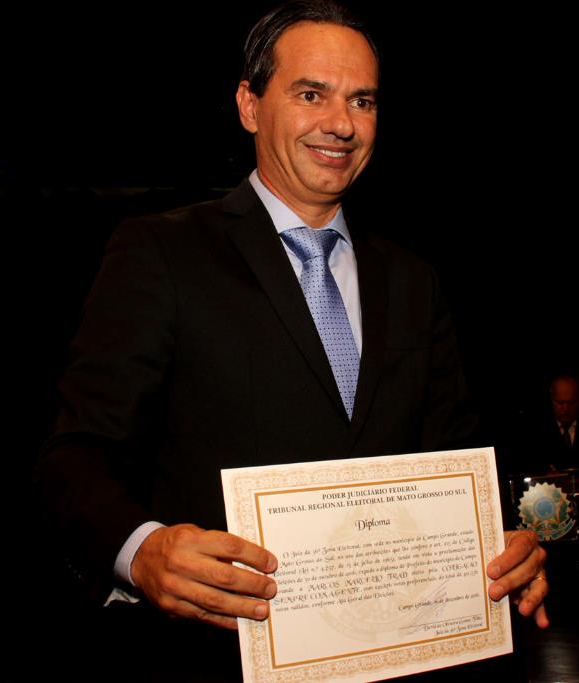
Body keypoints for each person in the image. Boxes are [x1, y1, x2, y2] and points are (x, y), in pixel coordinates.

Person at [35, 1, 548, 677]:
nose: (341, 123)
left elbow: (453, 459)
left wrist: (503, 544)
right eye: (311, 94)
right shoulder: (161, 253)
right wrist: (142, 550)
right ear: (249, 105)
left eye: (362, 100)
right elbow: (76, 455)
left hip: (404, 656)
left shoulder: (413, 280)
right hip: (215, 659)